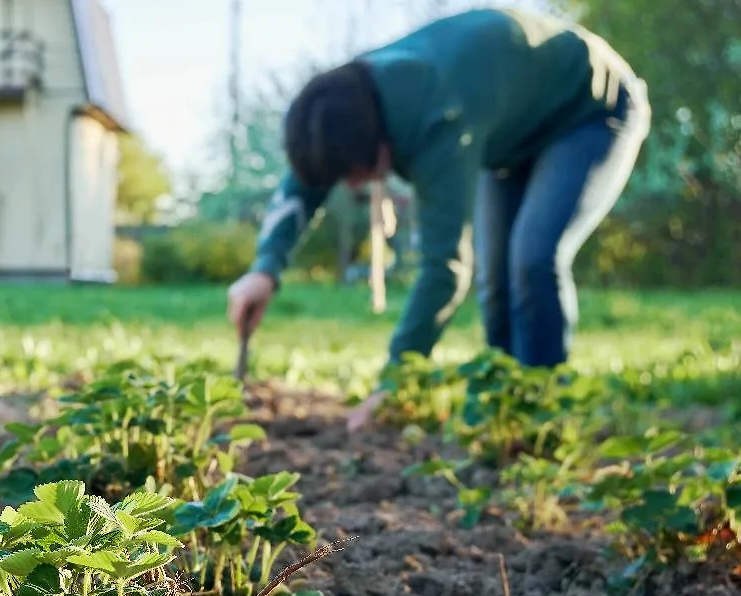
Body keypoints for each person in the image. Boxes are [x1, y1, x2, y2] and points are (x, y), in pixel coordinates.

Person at [226, 7, 651, 432]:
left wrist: (394, 381)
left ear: (376, 145)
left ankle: (543, 417)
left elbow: (443, 268)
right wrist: (265, 268)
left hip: (592, 109)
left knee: (532, 257)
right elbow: (310, 170)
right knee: (497, 278)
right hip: (515, 135)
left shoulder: (437, 121)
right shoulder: (346, 102)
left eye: (353, 175)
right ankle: (504, 413)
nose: (354, 187)